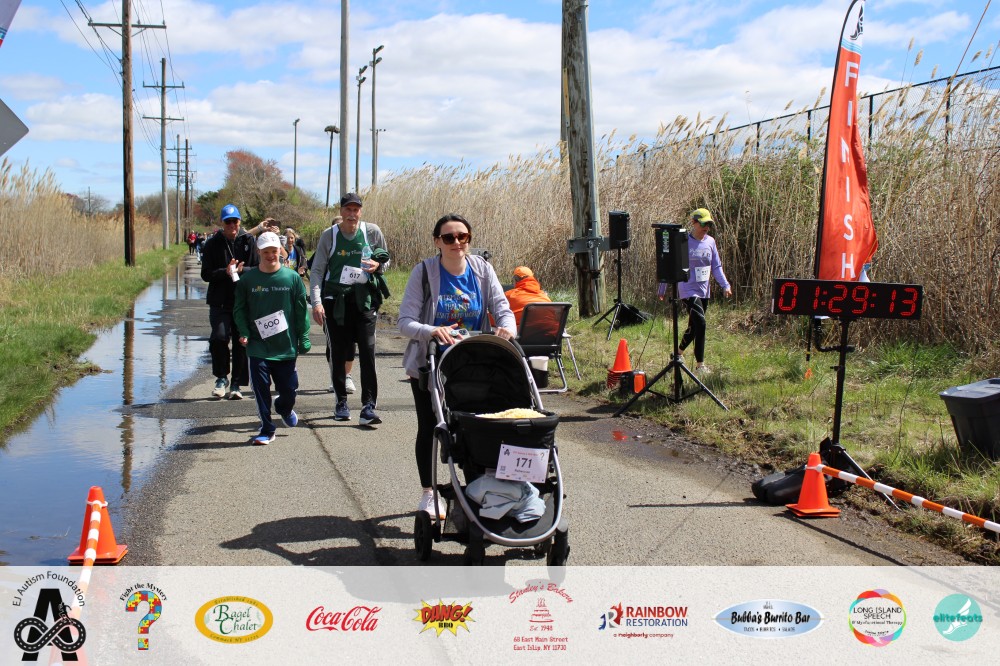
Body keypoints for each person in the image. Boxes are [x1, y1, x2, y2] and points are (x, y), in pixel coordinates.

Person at [399, 213, 516, 518]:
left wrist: (507, 328)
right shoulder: (424, 272)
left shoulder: (482, 269)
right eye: (449, 237)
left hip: (473, 362)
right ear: (437, 242)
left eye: (462, 236)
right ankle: (429, 493)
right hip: (431, 362)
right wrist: (432, 330)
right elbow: (405, 322)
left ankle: (479, 487)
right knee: (431, 426)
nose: (456, 242)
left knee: (475, 425)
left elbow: (502, 308)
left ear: (469, 239)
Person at [309, 193, 391, 426]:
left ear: (361, 212)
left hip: (364, 300)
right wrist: (317, 302)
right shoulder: (329, 235)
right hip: (335, 301)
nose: (352, 214)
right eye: (348, 209)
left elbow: (386, 261)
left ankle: (368, 406)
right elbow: (317, 271)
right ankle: (341, 402)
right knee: (338, 351)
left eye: (356, 210)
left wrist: (378, 265)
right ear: (341, 211)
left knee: (367, 350)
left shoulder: (372, 232)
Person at [233, 232, 311, 445]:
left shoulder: (292, 278)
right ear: (259, 252)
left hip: (285, 346)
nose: (270, 256)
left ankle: (284, 407)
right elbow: (239, 310)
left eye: (274, 251)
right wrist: (244, 332)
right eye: (265, 252)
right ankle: (267, 429)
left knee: (289, 391)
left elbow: (301, 311)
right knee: (260, 389)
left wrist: (303, 336)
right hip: (258, 346)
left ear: (280, 252)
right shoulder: (248, 280)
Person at [200, 204, 260, 399]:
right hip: (220, 301)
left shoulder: (249, 240)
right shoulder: (212, 244)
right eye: (228, 222)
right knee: (219, 338)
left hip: (243, 302)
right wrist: (224, 272)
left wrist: (243, 271)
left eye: (235, 221)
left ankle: (236, 384)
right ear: (222, 223)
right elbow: (205, 274)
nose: (232, 225)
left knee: (242, 341)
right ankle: (221, 378)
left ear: (239, 221)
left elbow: (258, 268)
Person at [677, 208, 732, 375]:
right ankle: (700, 366)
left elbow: (716, 266)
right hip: (687, 288)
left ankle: (678, 354)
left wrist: (725, 285)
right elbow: (673, 265)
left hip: (703, 290)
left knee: (694, 326)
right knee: (701, 323)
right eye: (703, 224)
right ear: (694, 223)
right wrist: (663, 287)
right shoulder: (684, 241)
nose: (706, 227)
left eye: (709, 224)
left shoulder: (711, 242)